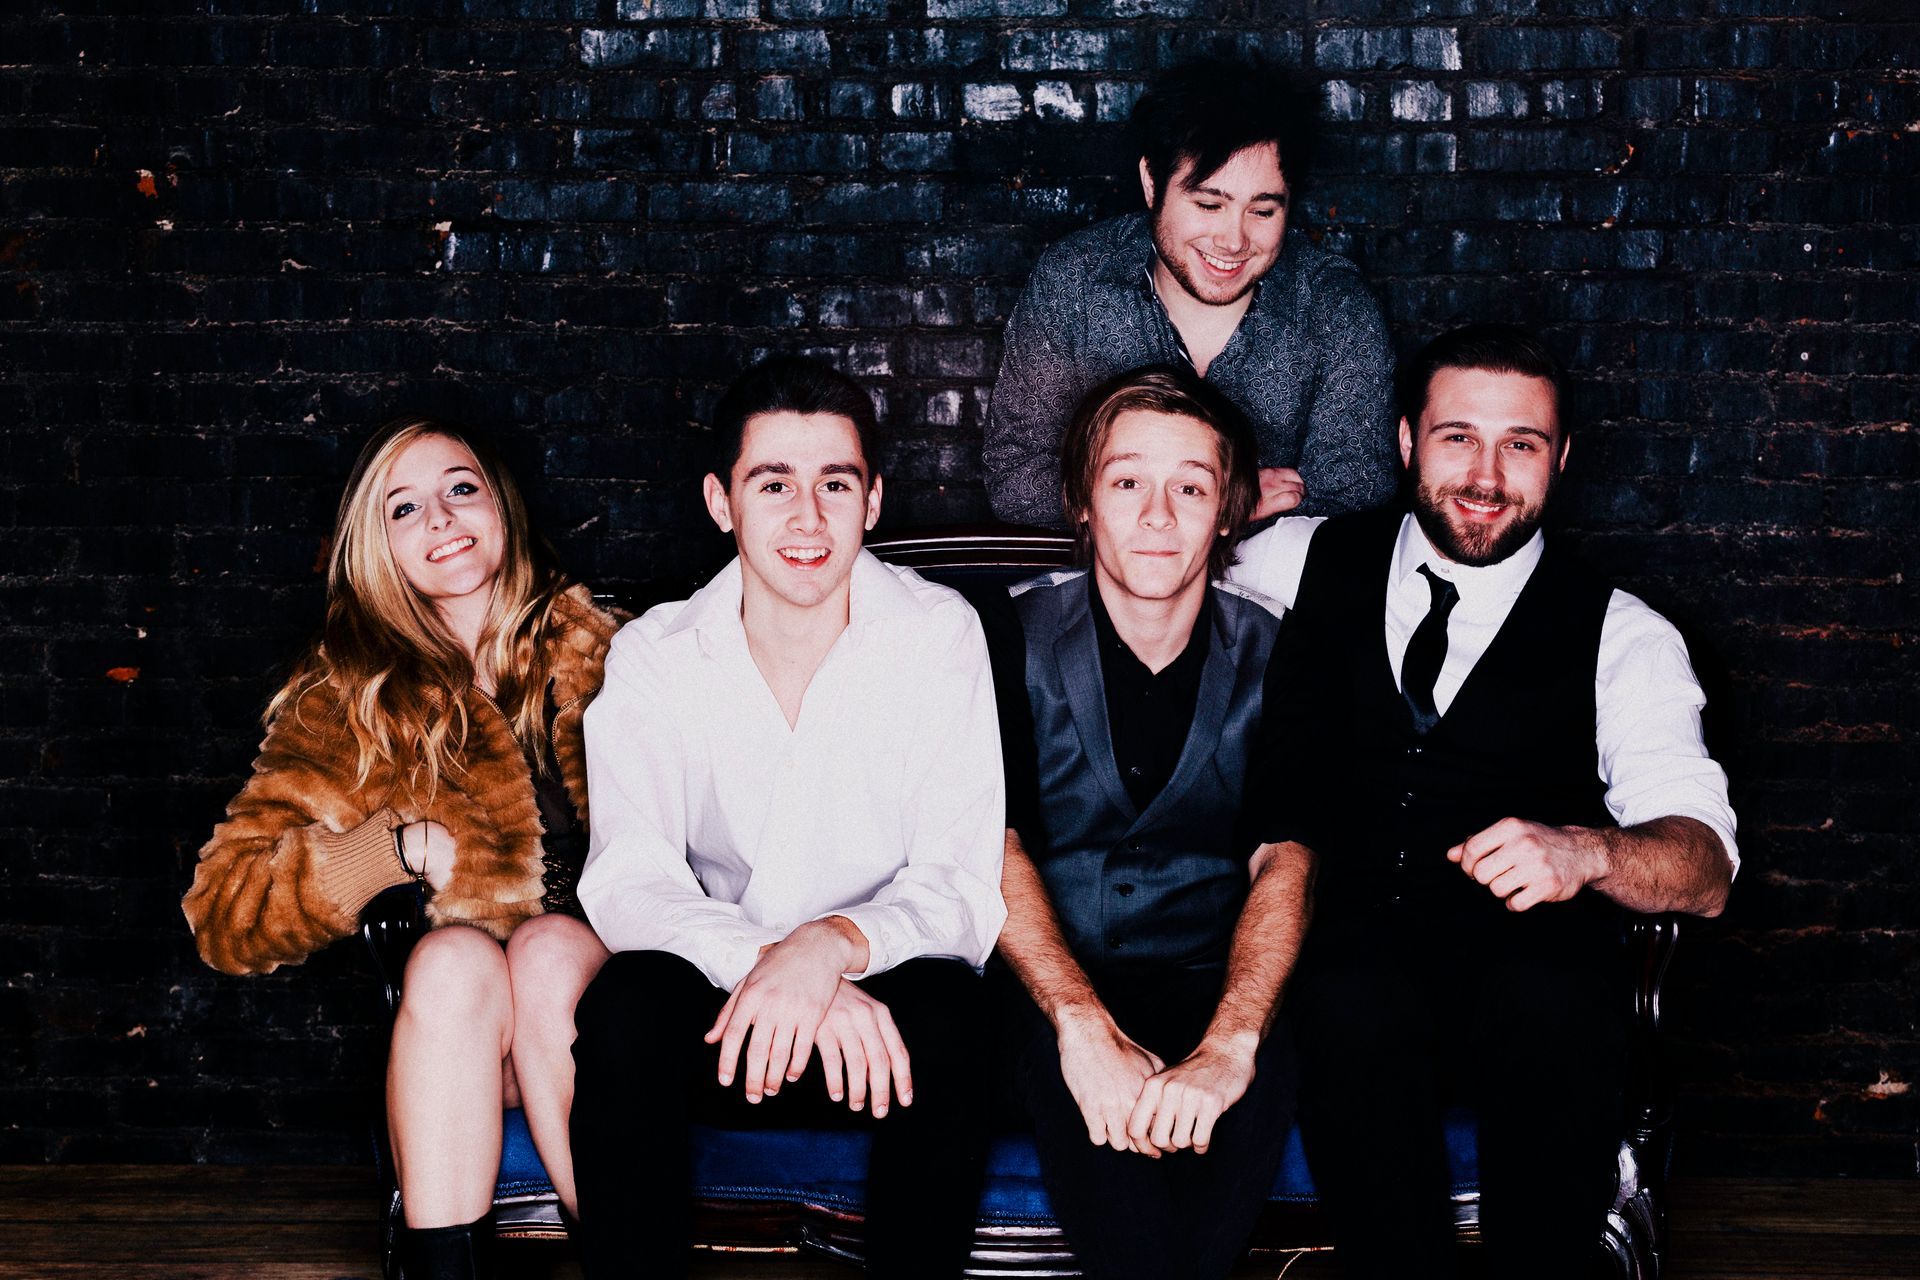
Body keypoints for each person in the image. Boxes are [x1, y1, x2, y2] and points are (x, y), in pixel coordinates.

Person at [1229, 324, 1739, 1278]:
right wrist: (1218, 506)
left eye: (1523, 444)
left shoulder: (1625, 636)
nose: (1487, 475)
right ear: (1405, 441)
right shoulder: (1301, 558)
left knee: (1554, 1005)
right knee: (1347, 1004)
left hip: (1528, 979)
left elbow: (1705, 868)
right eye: (1458, 436)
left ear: (1562, 458)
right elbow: (1139, 580)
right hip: (1350, 965)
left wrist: (1587, 852)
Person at [568, 356, 1006, 1280]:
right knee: (626, 1005)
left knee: (956, 1010)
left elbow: (959, 887)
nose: (807, 519)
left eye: (834, 484)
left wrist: (833, 949)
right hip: (726, 1024)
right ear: (722, 502)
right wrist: (776, 968)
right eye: (774, 484)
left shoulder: (940, 634)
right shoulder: (658, 654)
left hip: (880, 1034)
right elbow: (630, 879)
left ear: (874, 499)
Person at [182, 417, 623, 1278]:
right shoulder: (350, 700)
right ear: (374, 545)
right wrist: (389, 850)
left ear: (500, 506)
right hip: (467, 1042)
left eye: (461, 488)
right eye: (403, 508)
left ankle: (622, 1257)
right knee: (455, 959)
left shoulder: (617, 653)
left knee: (545, 950)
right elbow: (223, 913)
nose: (441, 520)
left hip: (618, 1013)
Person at [981, 366, 1313, 1280]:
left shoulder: (1282, 650)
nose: (1159, 516)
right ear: (1082, 503)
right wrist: (1080, 1025)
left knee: (1242, 1112)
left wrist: (1232, 1041)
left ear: (1231, 510)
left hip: (1218, 979)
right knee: (1115, 1171)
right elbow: (990, 844)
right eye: (1128, 481)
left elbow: (1286, 858)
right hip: (1046, 984)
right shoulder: (1000, 635)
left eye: (1192, 487)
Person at [982, 56, 1398, 530]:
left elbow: (1356, 491)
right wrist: (1225, 501)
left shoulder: (1334, 306)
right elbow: (1016, 478)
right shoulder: (1075, 279)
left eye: (1262, 212)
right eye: (1208, 204)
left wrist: (1128, 500)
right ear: (1151, 183)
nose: (1233, 240)